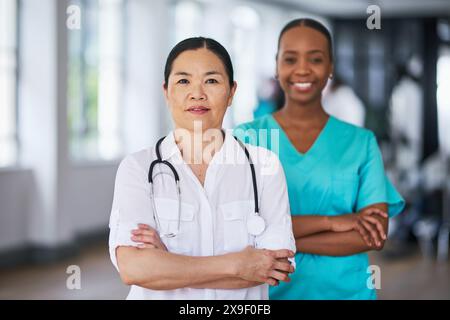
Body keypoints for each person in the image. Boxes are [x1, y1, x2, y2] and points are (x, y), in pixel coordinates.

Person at [108, 37, 296, 300]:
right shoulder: (138, 168)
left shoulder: (264, 167)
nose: (197, 93)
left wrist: (167, 264)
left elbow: (276, 268)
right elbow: (134, 268)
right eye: (183, 81)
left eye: (212, 81)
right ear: (166, 91)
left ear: (231, 92)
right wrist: (238, 265)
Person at [234, 18, 405, 300]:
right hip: (267, 295)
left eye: (315, 59)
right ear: (277, 65)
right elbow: (239, 228)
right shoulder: (247, 138)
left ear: (331, 68)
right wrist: (332, 222)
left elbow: (373, 235)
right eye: (290, 59)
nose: (302, 69)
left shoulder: (361, 143)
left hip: (348, 294)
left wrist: (276, 239)